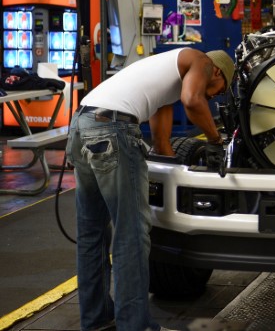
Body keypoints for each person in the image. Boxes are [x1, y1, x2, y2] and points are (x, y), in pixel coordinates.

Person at [67, 48, 234, 331]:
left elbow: (161, 143)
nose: (214, 97)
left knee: (92, 234)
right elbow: (192, 101)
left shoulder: (166, 76)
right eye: (219, 90)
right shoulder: (201, 61)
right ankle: (136, 326)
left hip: (81, 124)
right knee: (131, 235)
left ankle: (96, 322)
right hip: (113, 130)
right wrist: (216, 141)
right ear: (216, 71)